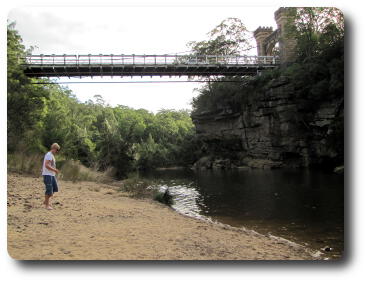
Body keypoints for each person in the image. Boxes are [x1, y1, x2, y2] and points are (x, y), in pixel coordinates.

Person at [42, 143, 61, 210]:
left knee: (55, 189)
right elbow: (46, 165)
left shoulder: (52, 155)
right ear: (54, 148)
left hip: (51, 175)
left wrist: (54, 171)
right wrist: (55, 170)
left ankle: (45, 201)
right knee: (49, 190)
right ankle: (47, 205)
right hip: (48, 175)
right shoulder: (49, 155)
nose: (57, 151)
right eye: (57, 150)